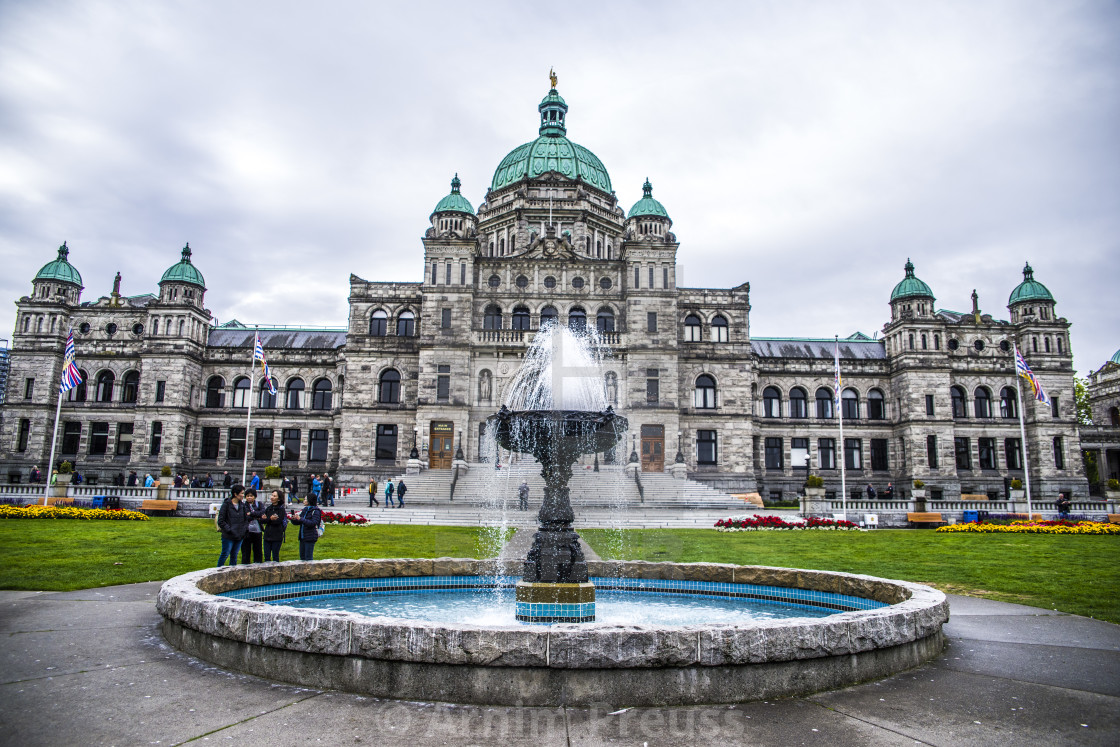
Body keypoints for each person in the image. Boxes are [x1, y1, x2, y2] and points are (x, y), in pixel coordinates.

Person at [216, 485, 249, 567]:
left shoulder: (242, 505)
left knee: (234, 555)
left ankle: (232, 572)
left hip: (239, 535)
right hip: (229, 535)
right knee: (225, 554)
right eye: (241, 493)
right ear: (235, 494)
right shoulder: (226, 505)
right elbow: (221, 520)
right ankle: (217, 571)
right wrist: (229, 530)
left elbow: (245, 520)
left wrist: (243, 530)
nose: (243, 495)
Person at [288, 494, 323, 561]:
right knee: (302, 558)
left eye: (305, 499)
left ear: (309, 500)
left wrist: (300, 519)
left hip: (310, 536)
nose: (304, 501)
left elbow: (313, 523)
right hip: (303, 537)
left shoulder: (316, 511)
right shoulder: (305, 509)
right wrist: (294, 519)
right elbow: (299, 522)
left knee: (308, 558)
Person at [261, 490, 288, 562]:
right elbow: (262, 520)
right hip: (267, 535)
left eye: (274, 496)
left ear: (279, 499)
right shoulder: (269, 508)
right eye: (272, 495)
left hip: (277, 535)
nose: (272, 497)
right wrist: (270, 519)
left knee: (275, 556)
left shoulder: (281, 509)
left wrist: (267, 519)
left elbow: (278, 521)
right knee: (266, 556)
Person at [240, 488, 264, 564]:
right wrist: (256, 515)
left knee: (258, 550)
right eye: (247, 496)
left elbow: (262, 512)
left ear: (254, 497)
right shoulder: (243, 505)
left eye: (251, 496)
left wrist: (251, 513)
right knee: (246, 551)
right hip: (247, 531)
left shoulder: (259, 504)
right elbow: (245, 516)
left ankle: (258, 564)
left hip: (258, 530)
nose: (249, 497)